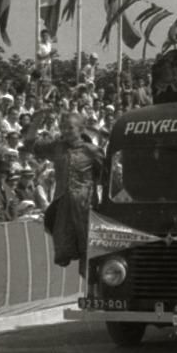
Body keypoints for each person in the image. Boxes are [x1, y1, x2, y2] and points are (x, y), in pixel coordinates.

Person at [22, 109, 104, 269]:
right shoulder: (57, 147)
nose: (65, 131)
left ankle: (93, 288)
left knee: (90, 254)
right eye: (63, 127)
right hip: (63, 209)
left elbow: (106, 177)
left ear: (81, 129)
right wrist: (36, 121)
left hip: (86, 208)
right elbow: (30, 144)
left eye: (70, 127)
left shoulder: (92, 151)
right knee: (67, 252)